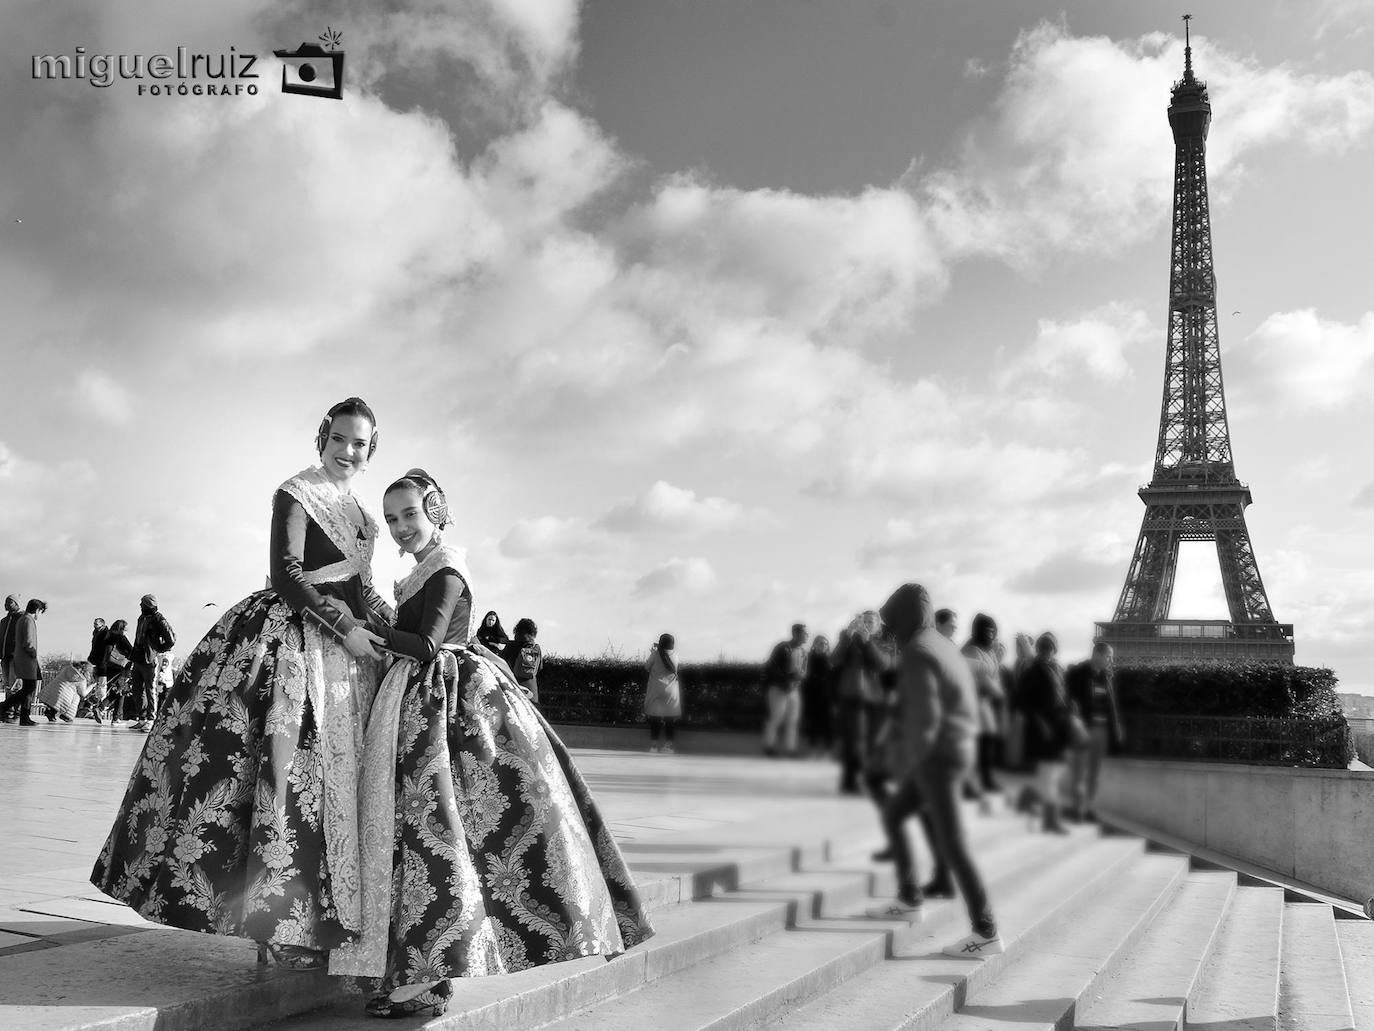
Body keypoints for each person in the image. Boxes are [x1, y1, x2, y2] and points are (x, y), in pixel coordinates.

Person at [328, 470, 653, 1017]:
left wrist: (367, 630)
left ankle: (428, 975)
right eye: (392, 519)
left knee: (441, 835)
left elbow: (429, 643)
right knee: (416, 839)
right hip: (412, 700)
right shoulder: (418, 573)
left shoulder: (447, 564)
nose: (401, 527)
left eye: (410, 514)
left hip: (444, 705)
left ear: (435, 509)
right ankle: (422, 971)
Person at [92, 397, 394, 972]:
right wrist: (348, 629)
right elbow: (287, 574)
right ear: (322, 437)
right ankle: (276, 927)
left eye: (361, 443)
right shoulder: (296, 492)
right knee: (281, 781)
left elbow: (364, 587)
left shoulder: (359, 511)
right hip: (294, 642)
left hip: (350, 660)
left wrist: (397, 630)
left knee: (338, 789)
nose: (349, 451)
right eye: (340, 439)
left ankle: (323, 922)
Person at [870, 583, 1001, 958]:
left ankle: (986, 930)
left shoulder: (917, 651)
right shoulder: (940, 643)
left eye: (890, 620)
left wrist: (907, 763)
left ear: (902, 617)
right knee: (896, 815)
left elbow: (925, 717)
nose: (888, 628)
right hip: (954, 748)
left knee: (953, 843)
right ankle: (910, 897)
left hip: (937, 756)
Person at [1019, 632, 1074, 834]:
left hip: (1056, 727)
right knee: (1050, 774)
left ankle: (1030, 797)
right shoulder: (1032, 671)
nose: (1046, 652)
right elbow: (1025, 702)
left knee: (1051, 773)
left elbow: (1062, 697)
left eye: (1049, 648)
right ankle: (1051, 820)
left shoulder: (1057, 669)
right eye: (1043, 648)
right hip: (1043, 729)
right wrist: (1041, 723)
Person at [1066, 643, 1125, 822]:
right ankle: (1078, 808)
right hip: (1084, 729)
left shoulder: (1106, 676)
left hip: (1102, 732)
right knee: (1080, 771)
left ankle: (1088, 807)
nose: (1111, 660)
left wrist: (1116, 729)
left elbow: (1111, 706)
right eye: (1109, 656)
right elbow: (1069, 702)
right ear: (1097, 654)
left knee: (1094, 773)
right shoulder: (1077, 674)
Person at [833, 612, 884, 792]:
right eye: (864, 621)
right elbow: (835, 660)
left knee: (872, 741)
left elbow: (882, 664)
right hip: (852, 695)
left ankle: (863, 779)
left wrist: (867, 641)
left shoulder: (882, 641)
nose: (867, 624)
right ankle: (851, 780)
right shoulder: (848, 640)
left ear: (878, 625)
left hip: (875, 697)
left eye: (871, 621)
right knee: (854, 740)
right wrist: (847, 636)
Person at [961, 614, 1004, 795]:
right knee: (972, 745)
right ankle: (966, 783)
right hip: (971, 701)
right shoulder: (971, 650)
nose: (991, 634)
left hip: (984, 703)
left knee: (987, 742)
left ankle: (986, 779)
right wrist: (998, 692)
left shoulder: (990, 651)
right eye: (987, 630)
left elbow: (994, 676)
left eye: (993, 631)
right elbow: (982, 679)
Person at [128, 595, 176, 733]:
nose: (140, 606)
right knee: (137, 690)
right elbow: (137, 638)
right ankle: (142, 718)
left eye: (142, 603)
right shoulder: (141, 618)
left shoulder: (158, 618)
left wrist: (157, 649)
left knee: (150, 689)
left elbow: (171, 638)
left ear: (148, 605)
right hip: (138, 657)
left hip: (150, 659)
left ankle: (151, 719)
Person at [761, 623, 808, 757]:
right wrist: (786, 680)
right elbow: (771, 667)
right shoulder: (782, 648)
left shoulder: (804, 651)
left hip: (794, 689)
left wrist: (799, 677)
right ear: (795, 634)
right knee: (776, 717)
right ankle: (769, 746)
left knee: (793, 720)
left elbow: (804, 671)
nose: (806, 636)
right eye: (804, 633)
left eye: (807, 634)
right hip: (778, 688)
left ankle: (790, 749)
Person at [0, 599, 47, 726]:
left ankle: (24, 717)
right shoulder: (28, 620)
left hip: (22, 658)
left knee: (28, 689)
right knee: (29, 688)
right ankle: (4, 707)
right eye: (40, 612)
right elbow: (28, 642)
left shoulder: (22, 619)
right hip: (27, 660)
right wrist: (33, 654)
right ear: (37, 610)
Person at [645, 633, 681, 755]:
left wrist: (653, 652)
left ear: (660, 643)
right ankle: (669, 746)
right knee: (669, 719)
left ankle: (654, 746)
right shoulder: (675, 656)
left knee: (655, 718)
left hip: (656, 690)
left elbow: (647, 667)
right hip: (671, 691)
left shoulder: (655, 655)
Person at [800, 635, 835, 758]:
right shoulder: (808, 658)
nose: (823, 645)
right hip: (812, 695)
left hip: (827, 696)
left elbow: (834, 680)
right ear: (814, 644)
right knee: (812, 723)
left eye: (825, 643)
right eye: (820, 642)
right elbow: (803, 676)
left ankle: (827, 751)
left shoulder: (832, 659)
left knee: (828, 724)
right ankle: (812, 750)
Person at [101, 619, 135, 722]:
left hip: (109, 666)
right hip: (121, 667)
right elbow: (131, 650)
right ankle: (103, 708)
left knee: (120, 690)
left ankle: (116, 718)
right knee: (120, 690)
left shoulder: (107, 636)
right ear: (122, 628)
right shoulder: (121, 637)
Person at [502, 618, 543, 703]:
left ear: (516, 630)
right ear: (533, 632)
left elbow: (501, 663)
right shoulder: (534, 648)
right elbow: (540, 667)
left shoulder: (510, 646)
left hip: (512, 685)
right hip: (530, 688)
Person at [0, 595, 21, 716]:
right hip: (4, 656)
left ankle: (15, 709)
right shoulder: (3, 621)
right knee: (7, 684)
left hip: (15, 656)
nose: (6, 604)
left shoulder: (22, 618)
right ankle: (9, 707)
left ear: (17, 603)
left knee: (15, 684)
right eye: (5, 602)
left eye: (10, 602)